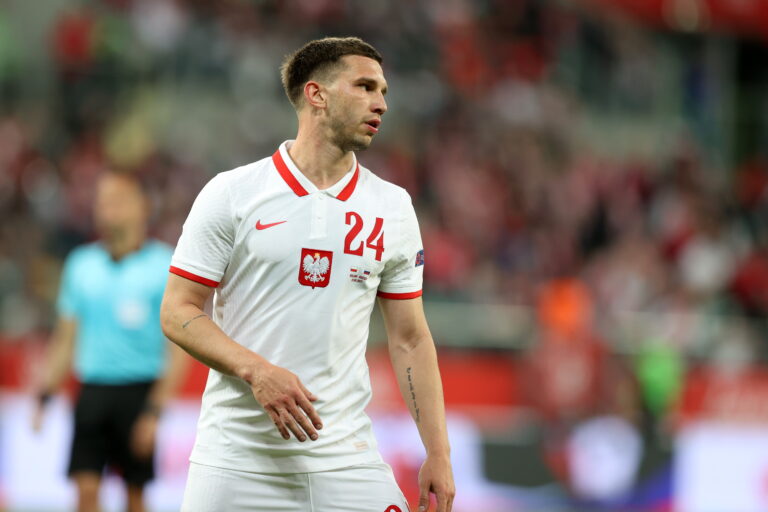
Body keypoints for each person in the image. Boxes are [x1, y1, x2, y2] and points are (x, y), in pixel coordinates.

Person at [160, 36, 455, 512]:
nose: (381, 103)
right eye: (365, 86)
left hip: (347, 461)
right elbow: (177, 310)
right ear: (316, 95)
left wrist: (438, 452)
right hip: (236, 462)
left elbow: (410, 339)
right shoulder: (232, 194)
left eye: (383, 91)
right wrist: (257, 371)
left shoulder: (393, 207)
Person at [33, 172, 188, 512]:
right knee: (85, 491)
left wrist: (154, 409)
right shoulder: (80, 265)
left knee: (135, 495)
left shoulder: (165, 265)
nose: (108, 208)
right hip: (92, 390)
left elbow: (177, 349)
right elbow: (66, 338)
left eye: (118, 199)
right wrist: (45, 391)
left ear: (143, 206)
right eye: (103, 201)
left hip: (138, 392)